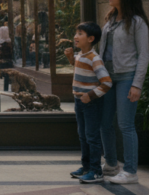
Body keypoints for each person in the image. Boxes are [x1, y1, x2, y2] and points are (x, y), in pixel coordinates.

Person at [98, 0, 149, 185]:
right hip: (107, 79)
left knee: (125, 125)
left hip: (127, 77)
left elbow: (143, 55)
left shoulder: (138, 22)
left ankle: (130, 171)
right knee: (104, 123)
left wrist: (137, 84)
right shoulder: (110, 20)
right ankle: (111, 164)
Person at [64, 22, 112, 184]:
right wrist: (71, 58)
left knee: (92, 137)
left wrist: (90, 95)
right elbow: (78, 67)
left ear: (91, 39)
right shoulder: (80, 56)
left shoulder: (94, 58)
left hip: (91, 103)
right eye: (76, 33)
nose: (75, 37)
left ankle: (96, 171)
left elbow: (106, 83)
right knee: (83, 135)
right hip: (79, 102)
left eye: (80, 34)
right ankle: (86, 167)